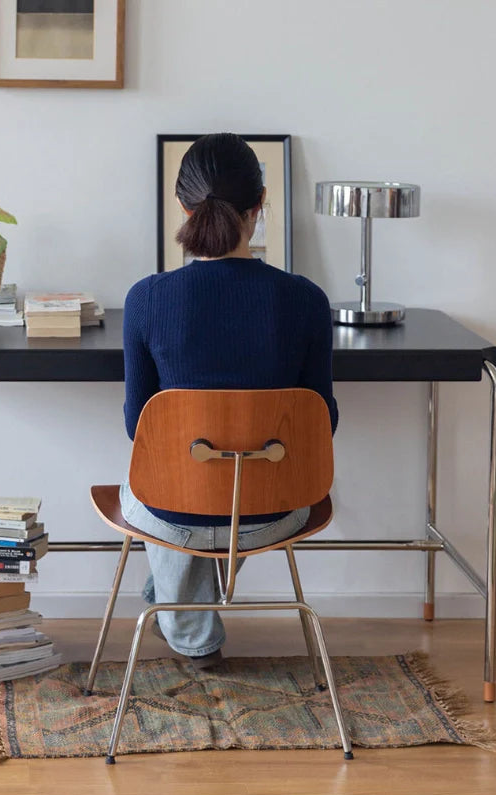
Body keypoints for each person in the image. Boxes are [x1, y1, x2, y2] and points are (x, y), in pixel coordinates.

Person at [120, 132, 338, 670]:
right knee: (188, 480)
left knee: (163, 483)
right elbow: (322, 421)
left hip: (176, 513)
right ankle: (181, 614)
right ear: (260, 205)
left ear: (182, 207)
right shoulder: (307, 300)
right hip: (276, 512)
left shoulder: (146, 299)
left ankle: (188, 629)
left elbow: (137, 427)